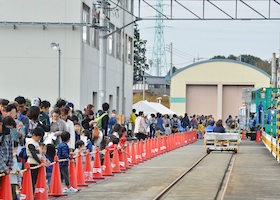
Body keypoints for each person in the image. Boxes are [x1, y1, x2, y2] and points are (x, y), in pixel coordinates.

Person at [25, 127, 48, 192]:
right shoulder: (30, 143)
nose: (39, 139)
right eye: (38, 137)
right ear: (34, 135)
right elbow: (33, 154)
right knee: (32, 181)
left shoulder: (35, 142)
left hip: (36, 163)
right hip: (32, 163)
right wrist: (40, 162)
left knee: (34, 181)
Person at [0, 116, 13, 190]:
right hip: (3, 167)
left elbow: (11, 148)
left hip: (6, 166)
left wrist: (10, 165)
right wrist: (5, 169)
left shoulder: (8, 132)